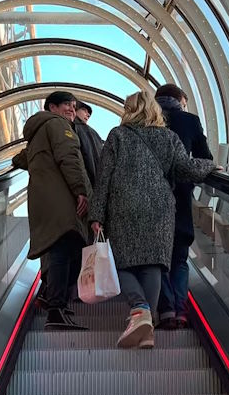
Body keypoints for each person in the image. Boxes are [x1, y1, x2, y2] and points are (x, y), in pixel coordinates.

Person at [89, 91, 217, 348]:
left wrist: (96, 215)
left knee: (121, 263)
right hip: (159, 208)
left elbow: (103, 178)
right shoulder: (168, 137)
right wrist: (211, 167)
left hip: (123, 204)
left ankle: (139, 309)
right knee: (153, 264)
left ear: (130, 110)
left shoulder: (118, 135)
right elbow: (184, 168)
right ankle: (146, 330)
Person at [11, 91, 91, 330]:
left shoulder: (37, 133)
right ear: (52, 107)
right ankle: (56, 309)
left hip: (44, 202)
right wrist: (81, 189)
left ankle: (58, 306)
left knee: (63, 250)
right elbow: (69, 157)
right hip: (63, 199)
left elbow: (22, 159)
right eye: (66, 104)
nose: (71, 109)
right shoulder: (58, 125)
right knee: (65, 251)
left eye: (73, 105)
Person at [154, 84, 214, 329]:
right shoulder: (189, 120)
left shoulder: (147, 121)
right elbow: (204, 157)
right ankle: (180, 311)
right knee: (179, 257)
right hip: (180, 193)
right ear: (180, 99)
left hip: (152, 196)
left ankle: (165, 310)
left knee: (157, 257)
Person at [73, 101, 104, 200]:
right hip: (93, 183)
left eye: (89, 114)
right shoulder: (90, 132)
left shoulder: (74, 128)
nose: (88, 115)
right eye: (84, 110)